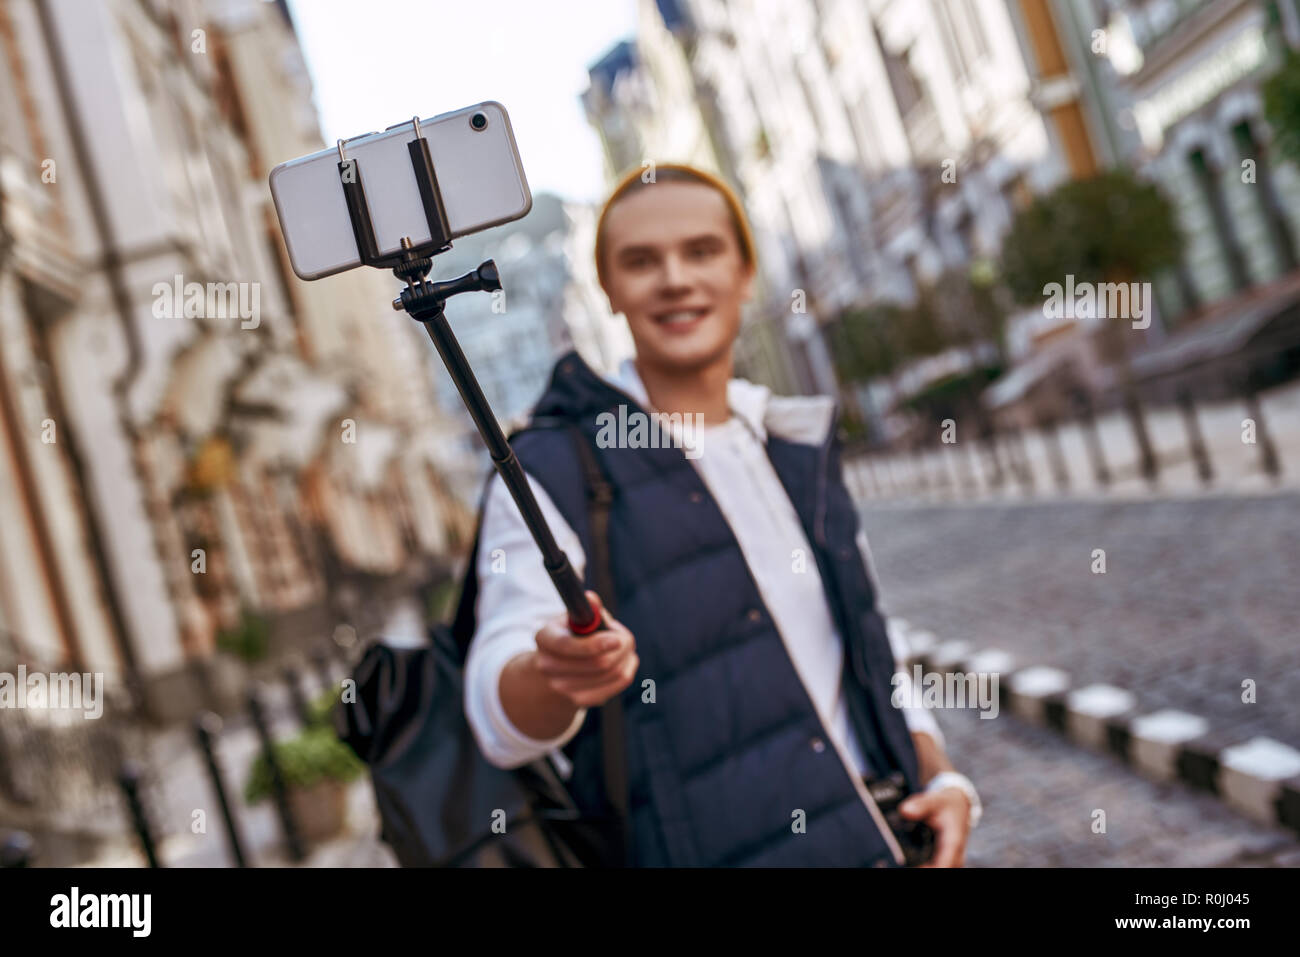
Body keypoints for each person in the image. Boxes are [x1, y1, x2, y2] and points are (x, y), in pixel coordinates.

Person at [463, 162, 981, 866]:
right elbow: (499, 716)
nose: (675, 278)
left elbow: (861, 642)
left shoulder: (787, 436)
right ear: (608, 290)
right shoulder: (550, 467)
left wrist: (938, 772)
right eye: (641, 261)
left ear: (745, 270)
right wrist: (556, 672)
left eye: (701, 250)